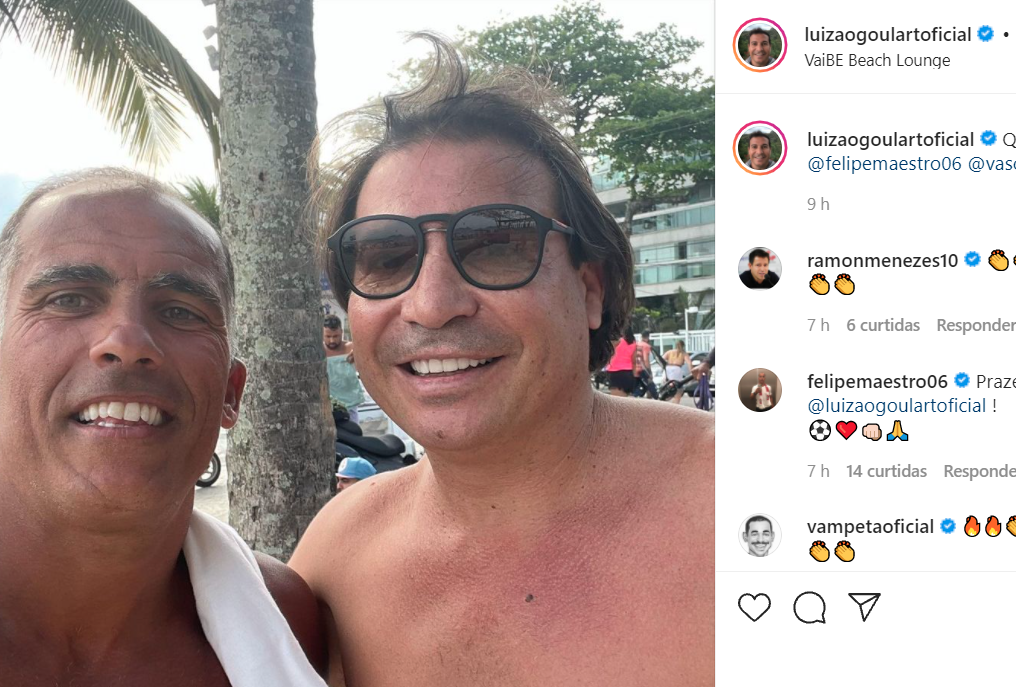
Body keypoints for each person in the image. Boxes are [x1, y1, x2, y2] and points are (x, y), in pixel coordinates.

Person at [291, 33, 713, 686]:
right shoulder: (336, 561)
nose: (431, 304)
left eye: (494, 245)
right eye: (386, 257)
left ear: (590, 289)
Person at [0, 169, 325, 686]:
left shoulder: (287, 620)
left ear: (230, 393)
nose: (128, 340)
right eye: (69, 299)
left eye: (180, 311)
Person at [323, 315, 365, 422]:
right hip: (327, 407)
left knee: (353, 431)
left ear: (341, 332)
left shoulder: (351, 348)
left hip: (350, 405)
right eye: (328, 336)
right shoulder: (319, 351)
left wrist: (359, 354)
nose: (332, 340)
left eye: (336, 336)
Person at [604, 331, 644, 397]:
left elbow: (609, 353)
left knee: (616, 399)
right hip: (628, 373)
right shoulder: (633, 343)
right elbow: (634, 361)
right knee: (625, 399)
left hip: (615, 372)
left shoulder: (617, 341)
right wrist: (634, 376)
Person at [662, 339, 693, 405]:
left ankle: (664, 402)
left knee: (667, 386)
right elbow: (689, 363)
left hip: (667, 368)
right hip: (677, 369)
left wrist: (664, 367)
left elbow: (662, 359)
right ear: (683, 346)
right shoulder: (684, 354)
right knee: (678, 388)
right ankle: (675, 403)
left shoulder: (669, 352)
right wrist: (692, 373)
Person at [635, 331, 660, 399]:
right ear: (648, 337)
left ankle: (636, 396)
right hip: (642, 368)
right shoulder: (646, 346)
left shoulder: (636, 344)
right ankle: (657, 397)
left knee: (639, 385)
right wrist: (649, 371)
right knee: (650, 383)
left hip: (634, 368)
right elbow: (646, 359)